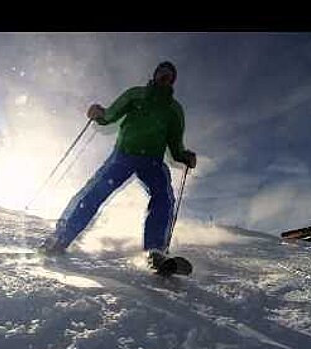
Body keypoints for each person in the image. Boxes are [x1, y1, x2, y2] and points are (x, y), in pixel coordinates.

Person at [40, 61, 196, 265]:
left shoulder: (174, 110)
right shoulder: (136, 94)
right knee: (96, 191)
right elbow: (111, 114)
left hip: (153, 161)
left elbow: (175, 145)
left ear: (173, 81)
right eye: (162, 72)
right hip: (124, 156)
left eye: (169, 75)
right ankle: (60, 238)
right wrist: (100, 114)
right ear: (155, 74)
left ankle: (156, 251)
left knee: (164, 197)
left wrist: (185, 156)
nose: (165, 76)